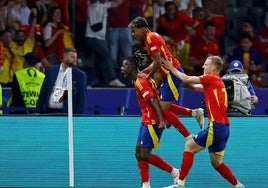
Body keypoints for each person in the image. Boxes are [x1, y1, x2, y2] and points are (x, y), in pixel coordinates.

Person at [162, 56, 245, 188]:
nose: (203, 66)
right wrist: (178, 76)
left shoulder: (210, 78)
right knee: (216, 162)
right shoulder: (216, 82)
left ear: (213, 68)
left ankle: (180, 183)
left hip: (216, 127)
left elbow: (188, 79)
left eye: (205, 64)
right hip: (224, 128)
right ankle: (238, 186)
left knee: (189, 146)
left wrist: (172, 68)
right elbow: (193, 87)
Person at [128, 16, 204, 141]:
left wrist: (148, 75)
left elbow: (157, 62)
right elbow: (156, 62)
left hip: (171, 74)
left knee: (163, 109)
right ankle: (195, 113)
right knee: (163, 104)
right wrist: (142, 72)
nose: (133, 34)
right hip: (170, 73)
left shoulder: (150, 39)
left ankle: (189, 136)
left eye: (134, 31)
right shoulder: (150, 38)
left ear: (142, 29)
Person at [121, 52, 179, 188]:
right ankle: (146, 185)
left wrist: (161, 120)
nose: (122, 69)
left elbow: (153, 100)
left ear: (131, 68)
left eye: (124, 66)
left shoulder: (141, 82)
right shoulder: (142, 78)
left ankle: (175, 172)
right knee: (138, 152)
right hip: (145, 120)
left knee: (145, 155)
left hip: (152, 121)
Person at [85, 0, 126, 87]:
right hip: (92, 38)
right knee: (107, 54)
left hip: (101, 39)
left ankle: (89, 82)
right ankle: (112, 78)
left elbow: (117, 3)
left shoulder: (105, 4)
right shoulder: (93, 4)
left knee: (99, 61)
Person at [37, 48, 87, 114]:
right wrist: (37, 111)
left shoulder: (80, 75)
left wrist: (79, 117)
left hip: (66, 114)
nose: (75, 60)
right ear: (65, 57)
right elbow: (43, 92)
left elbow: (81, 98)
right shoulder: (51, 71)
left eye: (76, 57)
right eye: (72, 57)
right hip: (48, 112)